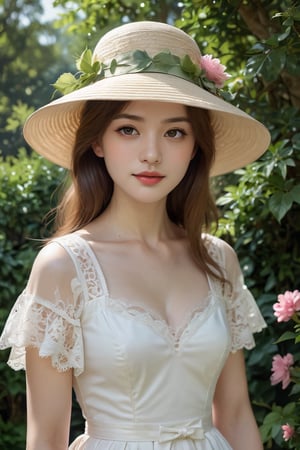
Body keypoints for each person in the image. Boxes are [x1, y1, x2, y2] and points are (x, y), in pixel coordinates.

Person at [0, 21, 270, 450]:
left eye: (174, 132)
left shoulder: (219, 260)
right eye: (128, 128)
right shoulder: (63, 267)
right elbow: (46, 438)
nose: (151, 153)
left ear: (195, 145)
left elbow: (236, 415)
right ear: (98, 141)